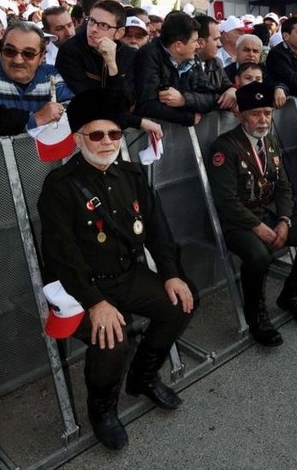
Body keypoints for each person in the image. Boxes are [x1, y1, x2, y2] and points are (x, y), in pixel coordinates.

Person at [37, 88, 194, 450]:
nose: (107, 141)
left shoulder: (133, 176)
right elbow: (62, 256)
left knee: (179, 304)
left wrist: (171, 273)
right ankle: (102, 410)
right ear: (78, 140)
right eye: (96, 134)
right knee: (112, 341)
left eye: (114, 134)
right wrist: (94, 302)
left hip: (125, 275)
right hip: (80, 287)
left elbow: (157, 231)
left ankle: (142, 377)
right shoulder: (60, 186)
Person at [207, 81, 297, 347]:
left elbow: (284, 186)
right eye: (255, 113)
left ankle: (292, 295)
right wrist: (258, 227)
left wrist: (284, 220)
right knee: (259, 255)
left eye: (267, 113)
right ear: (240, 116)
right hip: (238, 221)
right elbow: (226, 201)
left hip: (271, 213)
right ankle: (256, 315)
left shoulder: (270, 140)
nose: (263, 120)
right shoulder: (224, 147)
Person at [134, 11, 218, 126]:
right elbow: (146, 104)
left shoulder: (194, 59)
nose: (198, 46)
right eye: (194, 41)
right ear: (178, 46)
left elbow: (211, 98)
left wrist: (183, 99)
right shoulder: (148, 56)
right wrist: (186, 117)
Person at [0, 22, 73, 130]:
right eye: (10, 51)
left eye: (28, 54)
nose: (18, 60)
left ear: (41, 57)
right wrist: (36, 119)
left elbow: (72, 108)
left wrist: (59, 111)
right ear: (1, 50)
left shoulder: (50, 75)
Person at [195, 14, 237, 110]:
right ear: (200, 42)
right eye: (216, 39)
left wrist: (232, 90)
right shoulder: (184, 66)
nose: (219, 44)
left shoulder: (216, 62)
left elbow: (227, 85)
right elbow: (197, 98)